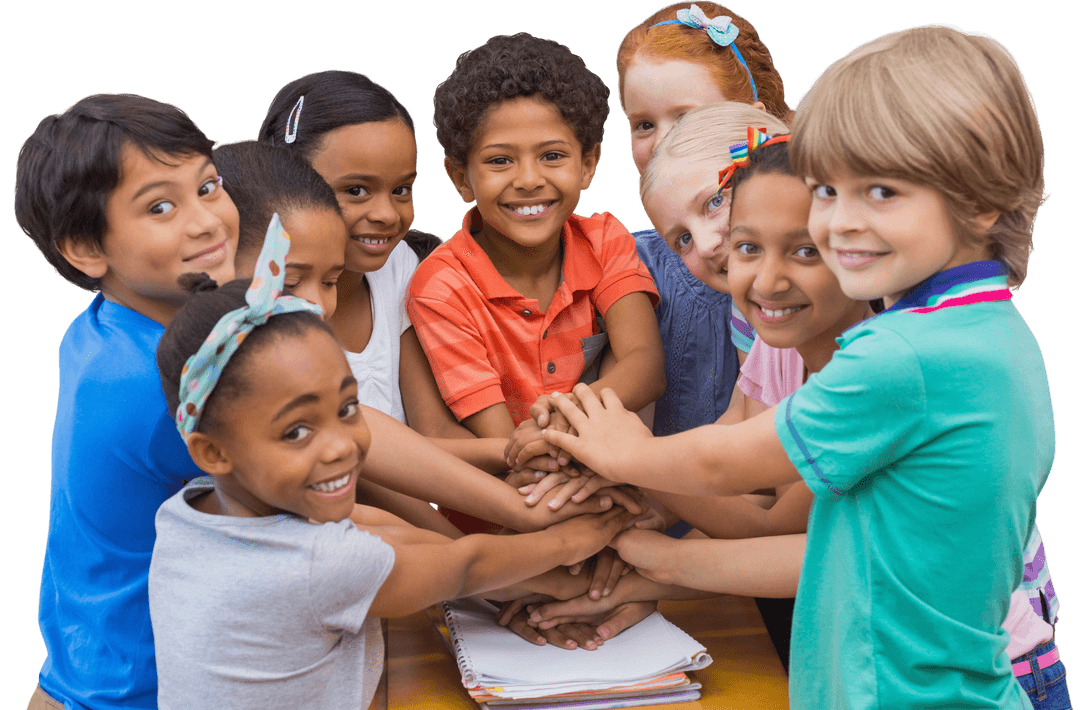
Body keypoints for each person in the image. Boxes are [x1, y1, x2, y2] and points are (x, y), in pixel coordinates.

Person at [541, 25, 1057, 709]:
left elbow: (732, 467)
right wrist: (646, 547)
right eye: (829, 191)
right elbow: (846, 551)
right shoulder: (983, 328)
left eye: (881, 191)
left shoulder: (902, 355)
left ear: (981, 198)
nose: (838, 223)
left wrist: (624, 451)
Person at [149, 220, 634, 709]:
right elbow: (463, 567)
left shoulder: (187, 517)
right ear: (212, 452)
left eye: (347, 409)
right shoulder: (317, 567)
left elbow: (379, 530)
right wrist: (574, 540)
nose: (341, 447)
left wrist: (532, 576)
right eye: (296, 432)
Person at [14, 93, 239, 710]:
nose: (207, 222)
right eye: (161, 207)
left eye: (209, 187)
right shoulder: (165, 385)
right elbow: (341, 478)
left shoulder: (103, 330)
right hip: (142, 692)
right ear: (85, 249)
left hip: (84, 671)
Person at [411, 32, 665, 531]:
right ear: (460, 177)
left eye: (552, 156)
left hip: (599, 486)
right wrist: (571, 442)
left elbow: (646, 366)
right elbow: (509, 447)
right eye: (500, 160)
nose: (528, 179)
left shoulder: (604, 240)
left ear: (588, 164)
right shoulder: (442, 285)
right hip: (504, 513)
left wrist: (562, 422)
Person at [259, 70, 510, 475]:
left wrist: (524, 459)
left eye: (401, 190)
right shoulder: (260, 309)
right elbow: (359, 460)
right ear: (286, 182)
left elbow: (430, 432)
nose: (387, 215)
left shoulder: (401, 268)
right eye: (356, 190)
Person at [213, 139, 461, 537]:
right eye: (290, 282)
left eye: (331, 280)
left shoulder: (398, 274)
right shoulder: (228, 371)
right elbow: (359, 469)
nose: (317, 305)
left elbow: (368, 460)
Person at [615, 1, 790, 436]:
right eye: (643, 124)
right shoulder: (637, 261)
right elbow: (747, 418)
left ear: (755, 130)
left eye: (688, 118)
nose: (663, 142)